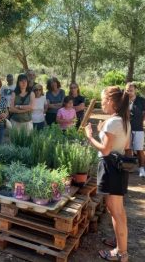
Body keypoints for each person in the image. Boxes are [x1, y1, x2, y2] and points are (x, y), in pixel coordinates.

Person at [84, 86, 130, 262]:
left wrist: (90, 136)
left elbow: (105, 150)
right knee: (116, 210)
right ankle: (119, 243)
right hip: (118, 168)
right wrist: (104, 130)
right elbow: (126, 146)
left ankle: (121, 253)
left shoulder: (114, 122)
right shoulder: (123, 120)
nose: (101, 103)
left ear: (110, 101)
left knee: (116, 210)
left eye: (103, 100)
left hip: (110, 167)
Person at [125, 82, 145, 177]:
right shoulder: (124, 100)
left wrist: (141, 121)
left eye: (131, 90)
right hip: (126, 128)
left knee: (139, 149)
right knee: (128, 148)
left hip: (138, 128)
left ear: (135, 90)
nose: (129, 92)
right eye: (127, 90)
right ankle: (130, 167)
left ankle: (141, 168)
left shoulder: (141, 100)